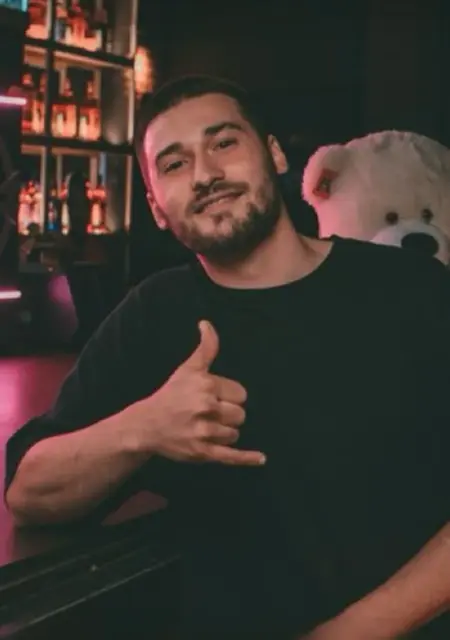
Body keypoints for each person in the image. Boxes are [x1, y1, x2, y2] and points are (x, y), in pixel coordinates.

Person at [4, 75, 450, 640]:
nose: (205, 174)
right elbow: (29, 493)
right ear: (156, 208)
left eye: (223, 143)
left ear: (275, 154)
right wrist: (146, 428)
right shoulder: (155, 314)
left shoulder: (408, 285)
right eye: (174, 164)